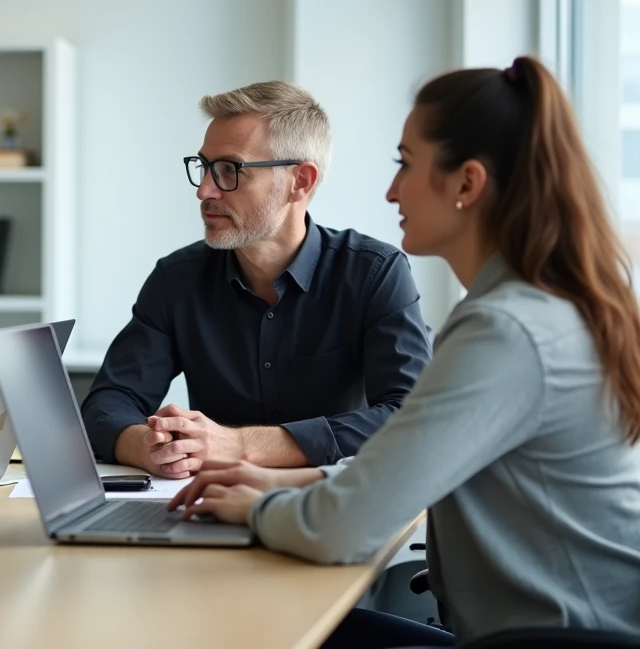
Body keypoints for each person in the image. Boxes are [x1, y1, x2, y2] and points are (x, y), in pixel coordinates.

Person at [169, 57, 640, 647]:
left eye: (405, 164)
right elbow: (410, 468)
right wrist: (293, 481)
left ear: (467, 183)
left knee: (246, 631)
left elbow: (343, 530)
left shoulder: (506, 330)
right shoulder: (534, 308)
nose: (391, 189)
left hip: (553, 642)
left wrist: (252, 508)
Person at [81, 81, 431, 478]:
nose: (205, 191)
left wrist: (242, 446)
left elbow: (409, 415)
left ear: (300, 181)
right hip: (209, 505)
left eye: (230, 169)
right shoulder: (176, 280)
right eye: (204, 167)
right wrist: (147, 447)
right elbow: (109, 401)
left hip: (329, 509)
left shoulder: (374, 273)